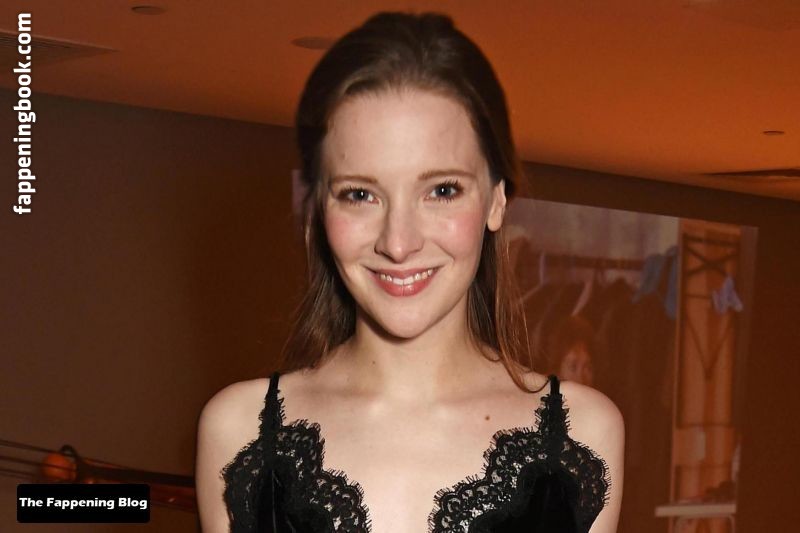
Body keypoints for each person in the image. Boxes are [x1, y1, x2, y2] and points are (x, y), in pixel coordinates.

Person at [196, 11, 624, 533]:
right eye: (360, 194)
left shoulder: (582, 436)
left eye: (442, 190)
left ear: (496, 200)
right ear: (320, 210)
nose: (398, 243)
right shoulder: (239, 430)